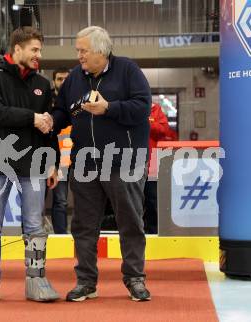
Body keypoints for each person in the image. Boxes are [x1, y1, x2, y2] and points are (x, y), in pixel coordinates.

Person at [52, 26, 152, 302]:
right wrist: (50, 120)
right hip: (84, 163)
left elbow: (143, 108)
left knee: (130, 222)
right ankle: (86, 282)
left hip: (124, 162)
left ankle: (135, 279)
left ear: (100, 50)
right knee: (83, 226)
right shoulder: (74, 78)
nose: (79, 56)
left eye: (83, 51)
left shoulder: (128, 71)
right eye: (78, 51)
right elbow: (64, 111)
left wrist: (109, 108)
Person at [0, 27, 60, 304]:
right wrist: (32, 118)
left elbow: (49, 130)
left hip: (33, 164)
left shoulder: (43, 84)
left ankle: (36, 280)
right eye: (34, 49)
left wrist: (52, 162)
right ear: (17, 49)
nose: (38, 55)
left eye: (40, 50)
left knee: (34, 226)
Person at [49, 68, 71, 234]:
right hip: (59, 159)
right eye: (59, 79)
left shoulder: (78, 100)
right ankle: (61, 235)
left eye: (66, 79)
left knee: (90, 200)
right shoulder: (48, 103)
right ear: (54, 82)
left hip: (79, 158)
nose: (62, 82)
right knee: (60, 201)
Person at [144, 102, 170, 234]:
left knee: (152, 200)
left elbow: (164, 130)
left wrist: (146, 121)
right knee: (130, 202)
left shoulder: (154, 108)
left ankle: (153, 232)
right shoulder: (124, 107)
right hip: (128, 162)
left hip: (151, 164)